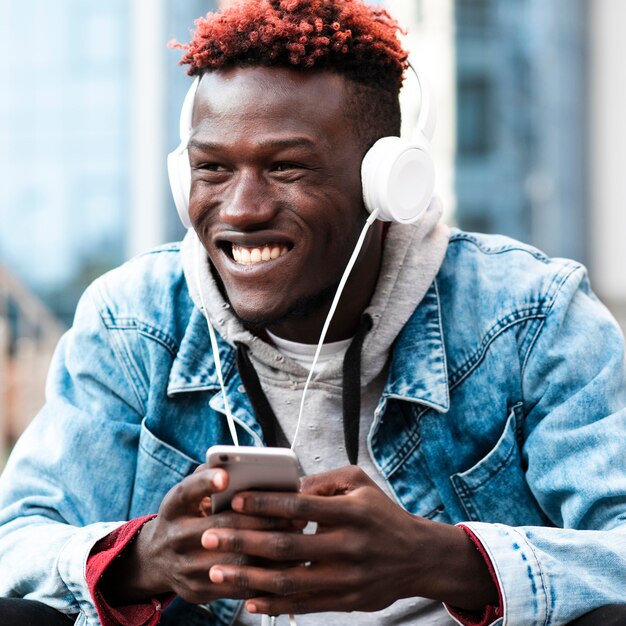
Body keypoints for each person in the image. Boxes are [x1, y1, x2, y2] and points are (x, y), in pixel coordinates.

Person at [1, 1, 626, 625]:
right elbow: (16, 542)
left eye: (286, 167)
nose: (242, 209)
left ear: (387, 182)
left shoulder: (532, 315)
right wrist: (142, 560)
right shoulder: (131, 319)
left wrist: (438, 560)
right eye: (212, 169)